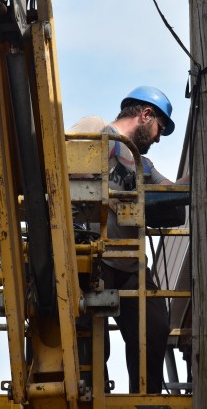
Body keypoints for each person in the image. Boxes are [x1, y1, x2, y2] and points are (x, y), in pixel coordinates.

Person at [67, 86, 187, 394]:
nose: (159, 138)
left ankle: (144, 397)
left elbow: (172, 195)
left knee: (156, 325)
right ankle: (94, 394)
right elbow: (62, 169)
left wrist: (198, 178)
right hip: (93, 254)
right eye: (159, 128)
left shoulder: (144, 166)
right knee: (92, 336)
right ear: (146, 115)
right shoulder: (97, 129)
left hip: (131, 264)